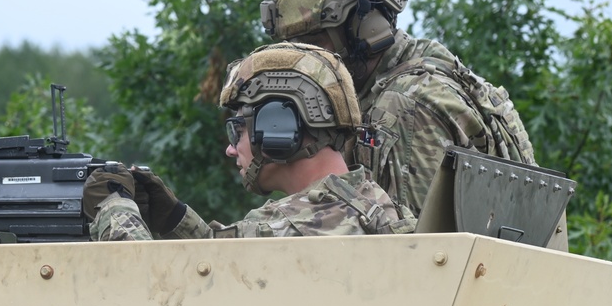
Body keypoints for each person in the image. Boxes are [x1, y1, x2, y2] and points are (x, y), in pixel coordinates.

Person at [260, 0, 537, 215]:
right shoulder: (426, 71)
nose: (306, 62)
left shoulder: (405, 105)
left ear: (364, 26)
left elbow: (409, 248)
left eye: (316, 43)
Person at [82, 42, 416, 241]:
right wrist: (176, 219)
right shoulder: (367, 201)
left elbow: (153, 291)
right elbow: (227, 256)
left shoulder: (293, 228)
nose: (231, 148)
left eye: (237, 130)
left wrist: (114, 209)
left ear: (279, 127)